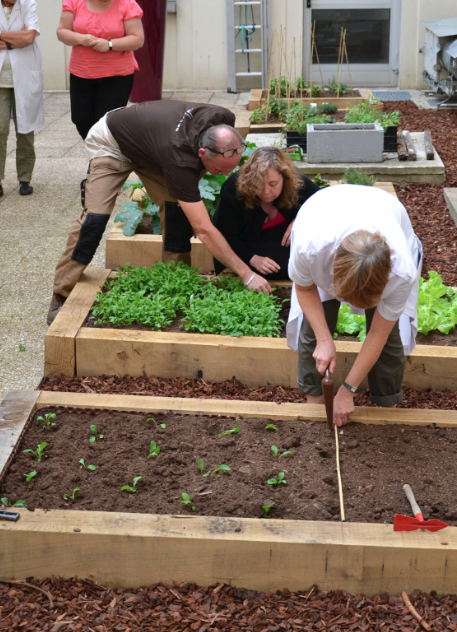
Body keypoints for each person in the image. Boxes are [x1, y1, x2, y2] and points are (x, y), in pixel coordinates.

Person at [47, 100, 271, 324]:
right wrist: (246, 274)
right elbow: (203, 230)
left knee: (178, 213)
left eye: (231, 166)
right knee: (94, 221)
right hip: (113, 142)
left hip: (154, 149)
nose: (226, 174)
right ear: (202, 152)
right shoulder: (179, 158)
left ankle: (176, 281)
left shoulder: (224, 118)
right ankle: (62, 291)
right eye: (221, 169)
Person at [287, 184, 422, 426]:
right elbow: (305, 288)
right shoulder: (311, 248)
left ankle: (386, 411)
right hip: (323, 207)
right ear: (334, 275)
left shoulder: (402, 272)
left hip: (382, 209)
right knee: (313, 331)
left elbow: (378, 333)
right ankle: (315, 408)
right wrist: (324, 339)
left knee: (388, 338)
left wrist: (348, 390)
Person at [56, 0, 144, 141]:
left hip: (117, 76)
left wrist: (110, 44)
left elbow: (137, 39)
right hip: (82, 73)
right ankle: (98, 158)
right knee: (81, 120)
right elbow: (62, 32)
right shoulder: (74, 0)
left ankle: (99, 164)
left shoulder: (127, 4)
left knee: (106, 123)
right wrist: (80, 38)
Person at [212, 147, 319, 279]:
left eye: (273, 184)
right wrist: (252, 258)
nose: (266, 191)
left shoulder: (297, 183)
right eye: (259, 185)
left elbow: (322, 201)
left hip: (282, 244)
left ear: (285, 179)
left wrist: (300, 219)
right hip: (243, 247)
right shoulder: (233, 191)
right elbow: (223, 237)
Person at [0, 0, 44, 197]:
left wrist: (4, 40)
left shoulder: (29, 4)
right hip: (1, 80)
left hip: (25, 76)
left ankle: (24, 178)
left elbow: (29, 37)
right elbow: (24, 36)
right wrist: (16, 39)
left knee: (25, 130)